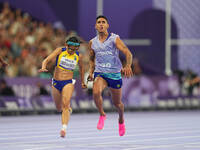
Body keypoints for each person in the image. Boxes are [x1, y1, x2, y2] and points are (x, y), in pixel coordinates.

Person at [87, 15, 133, 136]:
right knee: (96, 92)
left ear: (107, 25)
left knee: (117, 104)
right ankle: (102, 114)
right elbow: (91, 59)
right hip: (100, 73)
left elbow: (128, 53)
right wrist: (91, 72)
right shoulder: (92, 42)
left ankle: (121, 119)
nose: (101, 24)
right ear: (95, 26)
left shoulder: (114, 39)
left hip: (114, 74)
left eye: (103, 22)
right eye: (99, 22)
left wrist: (128, 66)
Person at [38, 36, 87, 138]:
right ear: (66, 45)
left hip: (68, 82)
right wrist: (43, 67)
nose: (72, 52)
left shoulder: (78, 56)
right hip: (56, 82)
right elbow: (46, 60)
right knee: (58, 108)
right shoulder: (60, 51)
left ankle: (64, 128)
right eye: (70, 49)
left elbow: (82, 70)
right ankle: (67, 108)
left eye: (74, 50)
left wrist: (83, 82)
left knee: (65, 105)